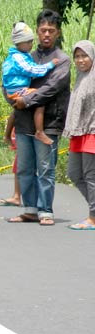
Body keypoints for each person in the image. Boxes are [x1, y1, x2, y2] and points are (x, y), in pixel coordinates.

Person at [7, 9, 70, 226]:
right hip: (24, 122)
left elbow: (51, 89)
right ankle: (30, 209)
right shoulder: (25, 57)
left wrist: (26, 100)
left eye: (51, 30)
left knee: (45, 169)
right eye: (43, 30)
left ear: (57, 32)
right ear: (37, 31)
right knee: (24, 168)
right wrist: (13, 99)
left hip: (50, 122)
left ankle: (45, 210)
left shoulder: (61, 60)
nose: (46, 34)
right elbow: (12, 82)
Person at [2, 22, 58, 147]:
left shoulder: (15, 56)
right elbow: (31, 70)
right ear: (20, 42)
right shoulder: (19, 58)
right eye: (28, 42)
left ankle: (7, 135)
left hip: (12, 90)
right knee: (39, 100)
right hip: (18, 90)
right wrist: (49, 65)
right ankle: (39, 131)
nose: (31, 45)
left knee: (16, 110)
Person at [62, 40, 95, 230]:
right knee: (74, 173)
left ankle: (93, 217)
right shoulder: (80, 77)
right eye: (77, 56)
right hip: (77, 131)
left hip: (91, 131)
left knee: (91, 176)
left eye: (85, 56)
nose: (81, 60)